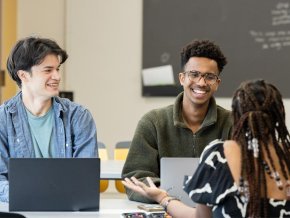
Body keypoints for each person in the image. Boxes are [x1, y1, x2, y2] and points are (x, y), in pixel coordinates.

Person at [122, 79, 290, 218]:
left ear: (237, 116)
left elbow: (199, 217)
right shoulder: (286, 157)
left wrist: (162, 197)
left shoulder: (219, 154)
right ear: (279, 116)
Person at [122, 39, 233, 203]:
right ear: (182, 78)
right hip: (165, 207)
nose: (201, 83)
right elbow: (135, 176)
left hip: (214, 209)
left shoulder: (232, 123)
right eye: (194, 74)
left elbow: (246, 176)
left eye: (209, 77)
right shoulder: (153, 122)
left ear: (217, 83)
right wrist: (166, 197)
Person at [0, 36, 98, 202]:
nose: (57, 77)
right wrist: (39, 195)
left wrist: (37, 193)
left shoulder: (79, 117)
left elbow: (86, 182)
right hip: (21, 208)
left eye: (57, 69)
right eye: (48, 70)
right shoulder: (3, 119)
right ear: (23, 75)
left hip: (68, 211)